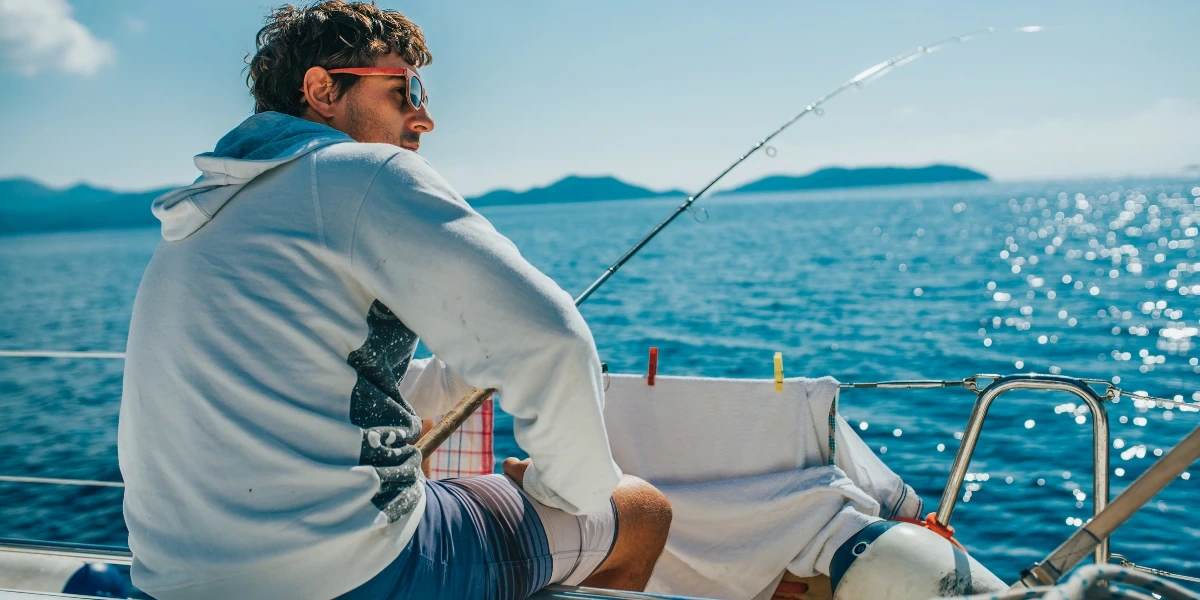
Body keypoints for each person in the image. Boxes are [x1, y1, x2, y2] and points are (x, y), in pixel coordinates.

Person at [116, 2, 672, 599]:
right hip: (348, 577)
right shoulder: (358, 171)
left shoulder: (199, 218)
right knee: (639, 511)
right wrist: (571, 492)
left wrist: (438, 396)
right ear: (322, 89)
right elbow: (552, 340)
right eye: (406, 88)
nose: (424, 116)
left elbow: (297, 376)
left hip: (167, 583)